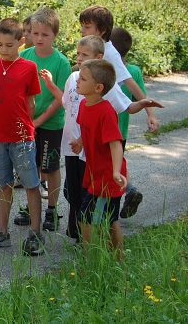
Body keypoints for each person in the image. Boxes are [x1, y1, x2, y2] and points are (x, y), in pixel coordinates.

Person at [40, 35, 162, 242]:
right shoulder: (77, 84)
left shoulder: (105, 102)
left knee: (99, 212)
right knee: (75, 195)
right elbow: (69, 106)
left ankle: (95, 247)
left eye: (84, 54)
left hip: (99, 165)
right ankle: (83, 240)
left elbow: (117, 136)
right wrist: (79, 142)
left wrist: (144, 106)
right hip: (78, 153)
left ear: (98, 57)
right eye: (78, 54)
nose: (79, 58)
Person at [0, 18, 45, 256]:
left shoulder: (29, 67)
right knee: (3, 185)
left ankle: (35, 232)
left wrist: (24, 128)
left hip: (21, 137)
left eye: (9, 45)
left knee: (31, 184)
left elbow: (31, 103)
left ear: (21, 42)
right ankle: (1, 231)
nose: (4, 50)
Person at [17, 8, 72, 233]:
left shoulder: (61, 62)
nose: (39, 38)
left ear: (54, 36)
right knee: (30, 166)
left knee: (49, 167)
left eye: (45, 34)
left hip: (50, 124)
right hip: (28, 122)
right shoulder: (25, 56)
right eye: (35, 33)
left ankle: (51, 209)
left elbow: (61, 99)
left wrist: (39, 121)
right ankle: (32, 207)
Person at [74, 59, 129, 259]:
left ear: (98, 88)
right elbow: (86, 128)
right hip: (94, 173)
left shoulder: (106, 111)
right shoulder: (84, 104)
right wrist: (80, 142)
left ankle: (92, 259)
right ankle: (114, 259)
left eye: (83, 79)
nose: (77, 81)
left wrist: (116, 171)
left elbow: (115, 143)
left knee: (88, 218)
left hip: (108, 177)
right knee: (107, 219)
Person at [79, 6, 159, 132]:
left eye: (87, 27)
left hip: (102, 114)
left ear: (102, 30)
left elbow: (129, 82)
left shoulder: (109, 53)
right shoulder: (90, 48)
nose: (82, 30)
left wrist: (150, 113)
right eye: (82, 26)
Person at [110, 26, 149, 219]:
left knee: (110, 168)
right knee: (118, 164)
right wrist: (151, 115)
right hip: (121, 130)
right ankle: (129, 190)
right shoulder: (133, 70)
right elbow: (141, 97)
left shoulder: (105, 70)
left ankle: (115, 205)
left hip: (106, 129)